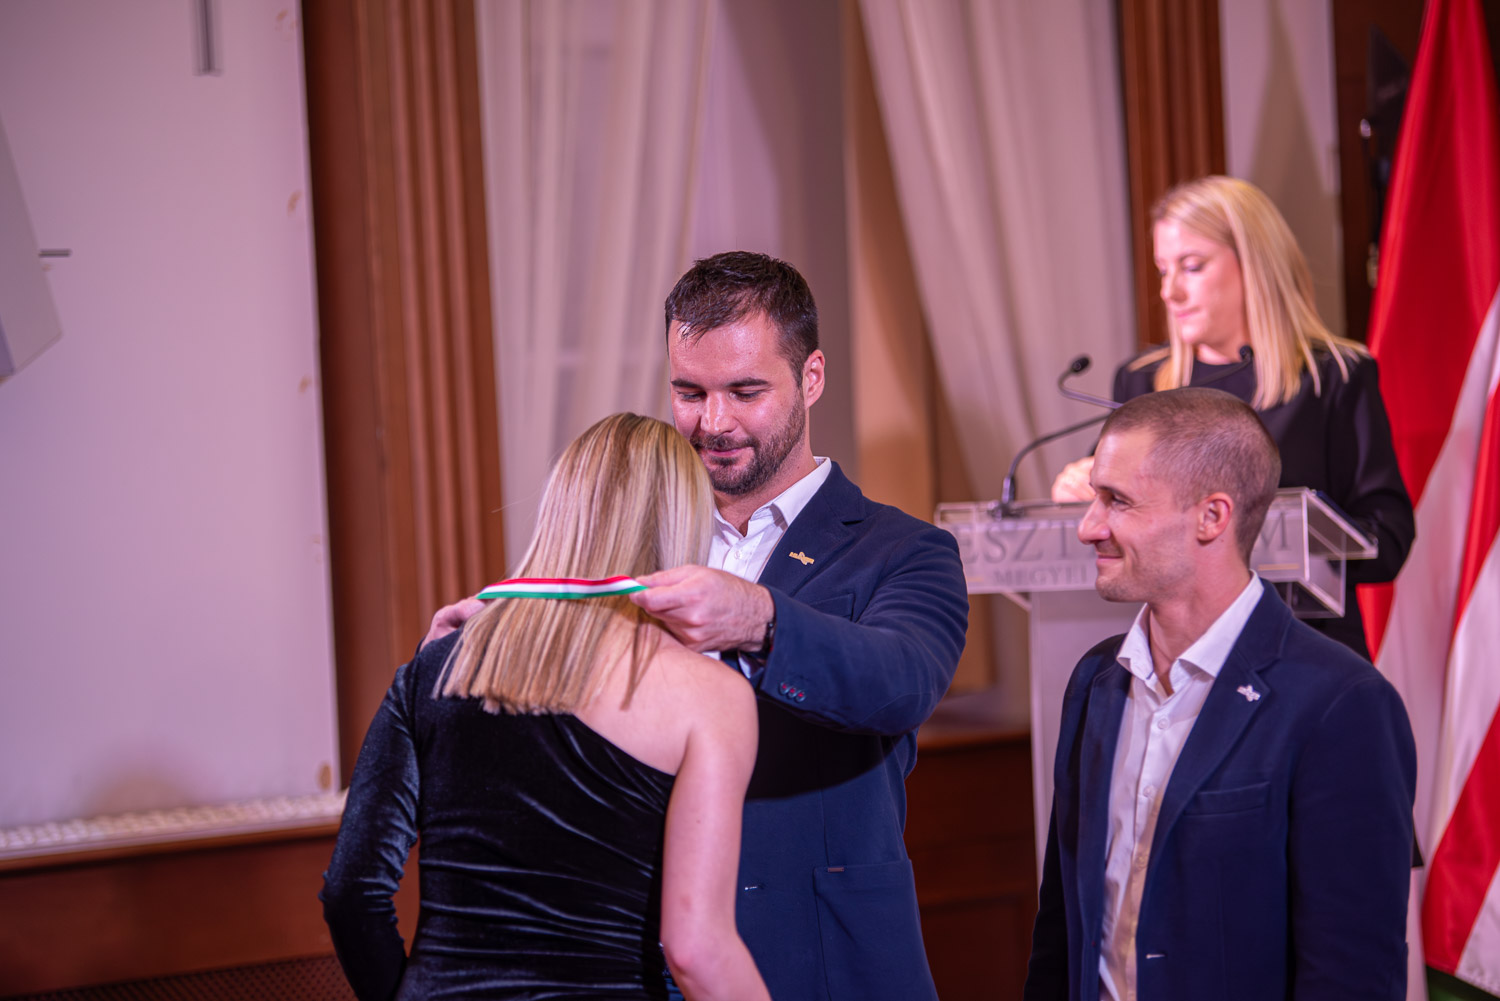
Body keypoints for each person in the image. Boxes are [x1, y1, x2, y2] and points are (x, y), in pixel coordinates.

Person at [424, 251, 970, 1001]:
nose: (713, 423)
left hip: (825, 957)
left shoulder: (905, 549)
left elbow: (899, 681)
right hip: (641, 963)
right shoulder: (630, 542)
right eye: (689, 392)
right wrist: (502, 636)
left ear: (811, 377)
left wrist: (761, 618)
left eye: (745, 391)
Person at [321, 413, 769, 1001]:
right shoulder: (709, 697)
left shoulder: (434, 667)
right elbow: (697, 952)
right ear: (683, 522)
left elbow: (352, 893)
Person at [1025, 388, 1416, 1001]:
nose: (1087, 527)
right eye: (1095, 496)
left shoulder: (1341, 703)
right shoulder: (1095, 680)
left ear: (1212, 517)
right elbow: (1060, 932)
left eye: (1117, 501)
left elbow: (1353, 976)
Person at [1051, 175, 1414, 659]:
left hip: (1302, 652)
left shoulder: (1335, 377)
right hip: (1172, 658)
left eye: (1192, 266)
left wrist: (1290, 535)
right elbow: (1111, 512)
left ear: (1255, 264)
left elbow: (1388, 539)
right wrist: (1079, 490)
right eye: (1163, 270)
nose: (1170, 291)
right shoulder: (1142, 382)